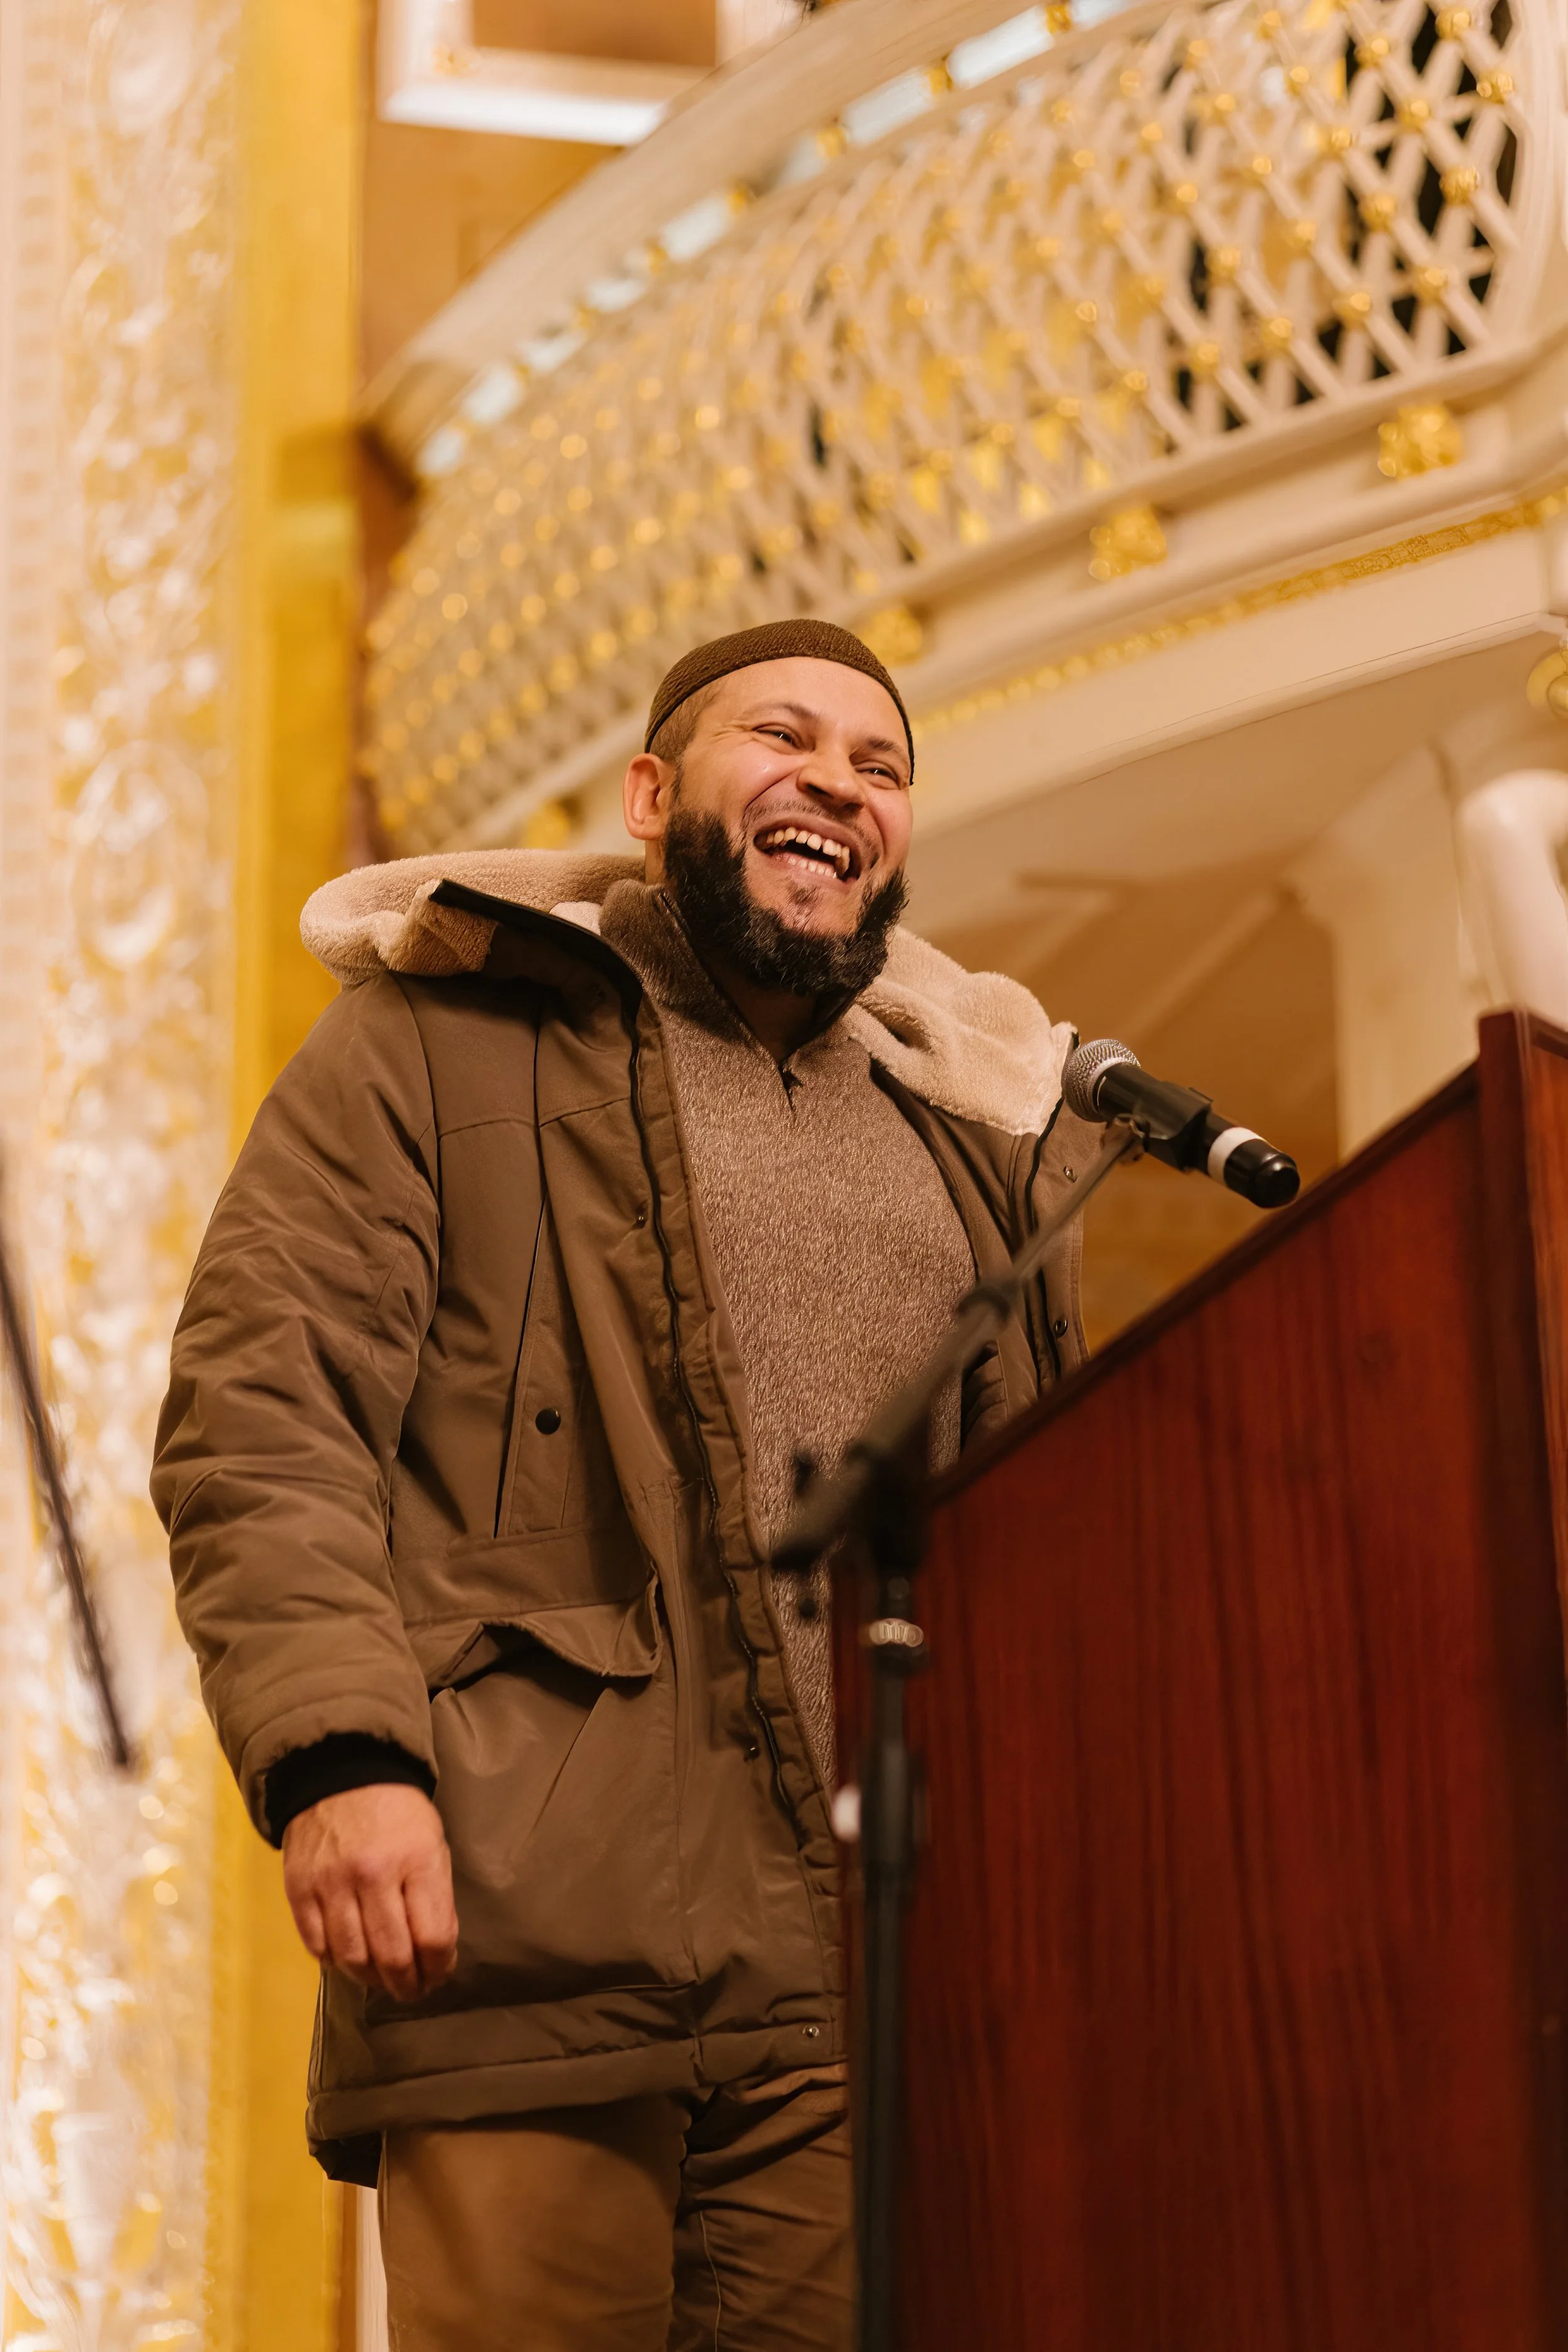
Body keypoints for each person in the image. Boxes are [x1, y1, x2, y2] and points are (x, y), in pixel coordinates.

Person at [152, 617, 1101, 2349]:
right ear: (654, 793)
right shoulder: (435, 1043)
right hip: (529, 1933)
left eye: (878, 766)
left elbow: (1052, 1517)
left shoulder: (973, 1134)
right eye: (785, 739)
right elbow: (260, 1407)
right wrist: (342, 1760)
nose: (836, 779)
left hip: (867, 1974)